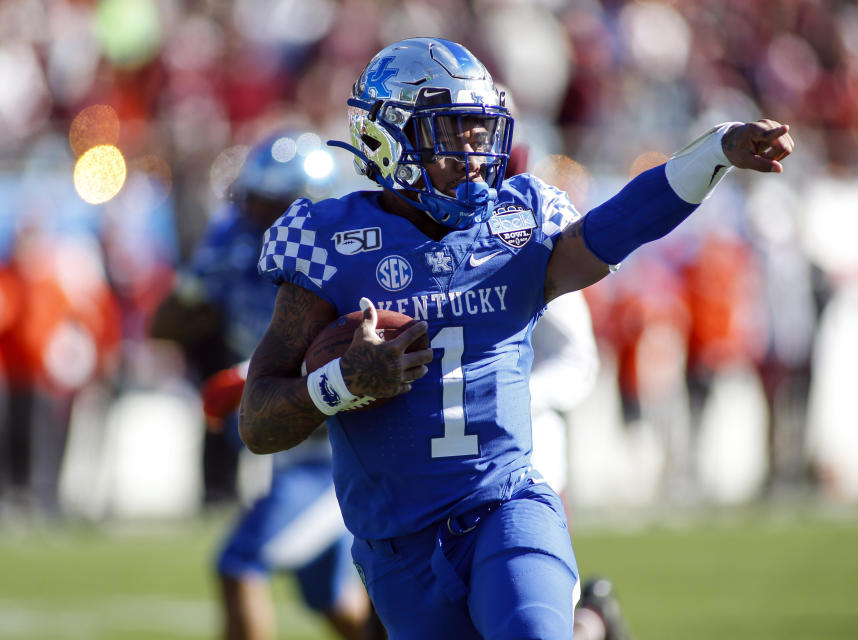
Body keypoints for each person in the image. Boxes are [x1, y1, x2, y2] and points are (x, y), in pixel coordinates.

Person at [239, 37, 794, 639]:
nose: (474, 156)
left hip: (505, 506)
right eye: (452, 133)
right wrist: (341, 384)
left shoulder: (519, 219)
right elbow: (258, 422)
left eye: (481, 134)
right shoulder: (325, 241)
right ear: (385, 136)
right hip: (396, 546)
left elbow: (618, 226)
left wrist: (716, 151)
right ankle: (592, 629)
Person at [151, 131, 379, 640]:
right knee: (328, 599)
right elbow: (162, 325)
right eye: (250, 200)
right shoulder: (237, 244)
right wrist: (197, 285)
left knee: (238, 562)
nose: (251, 215)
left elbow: (352, 360)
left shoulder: (342, 260)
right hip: (293, 449)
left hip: (340, 452)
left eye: (266, 203)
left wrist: (253, 376)